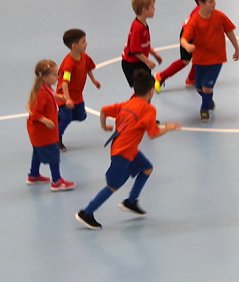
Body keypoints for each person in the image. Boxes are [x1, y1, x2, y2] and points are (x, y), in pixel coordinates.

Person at [75, 71, 180, 230]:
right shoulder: (149, 110)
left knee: (147, 168)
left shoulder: (128, 103)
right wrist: (169, 128)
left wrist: (104, 126)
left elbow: (104, 110)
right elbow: (153, 134)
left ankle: (131, 201)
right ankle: (86, 212)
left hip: (124, 148)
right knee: (112, 186)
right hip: (123, 153)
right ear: (151, 91)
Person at [180, 0, 239, 122]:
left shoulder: (220, 16)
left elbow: (229, 31)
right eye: (211, 1)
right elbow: (183, 38)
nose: (215, 3)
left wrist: (236, 47)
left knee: (207, 87)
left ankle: (204, 108)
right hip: (200, 60)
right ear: (201, 3)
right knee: (199, 87)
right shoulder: (195, 20)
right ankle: (209, 101)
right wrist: (187, 45)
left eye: (214, 0)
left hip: (216, 59)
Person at [155, 0, 218, 93]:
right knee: (185, 61)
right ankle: (160, 76)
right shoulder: (201, 9)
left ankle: (192, 79)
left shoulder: (208, 5)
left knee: (201, 56)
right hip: (188, 36)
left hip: (196, 35)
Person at [26, 59, 76, 191]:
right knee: (54, 154)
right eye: (55, 75)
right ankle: (57, 180)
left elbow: (51, 96)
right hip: (42, 132)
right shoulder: (42, 93)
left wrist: (58, 97)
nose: (58, 77)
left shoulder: (46, 89)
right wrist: (45, 120)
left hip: (38, 133)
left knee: (37, 152)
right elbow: (34, 113)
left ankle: (34, 175)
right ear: (45, 77)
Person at [56, 28, 101, 152]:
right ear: (74, 46)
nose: (86, 43)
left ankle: (58, 116)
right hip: (64, 96)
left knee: (81, 116)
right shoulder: (69, 64)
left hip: (77, 95)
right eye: (83, 41)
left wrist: (94, 80)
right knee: (66, 118)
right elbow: (64, 83)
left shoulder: (84, 57)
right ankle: (56, 139)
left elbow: (88, 68)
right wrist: (68, 99)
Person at [121, 0, 162, 87]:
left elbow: (144, 44)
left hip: (140, 62)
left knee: (147, 86)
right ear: (144, 10)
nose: (154, 9)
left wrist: (154, 54)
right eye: (152, 7)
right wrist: (148, 61)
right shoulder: (137, 28)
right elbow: (135, 50)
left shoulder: (143, 24)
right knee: (142, 88)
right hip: (132, 64)